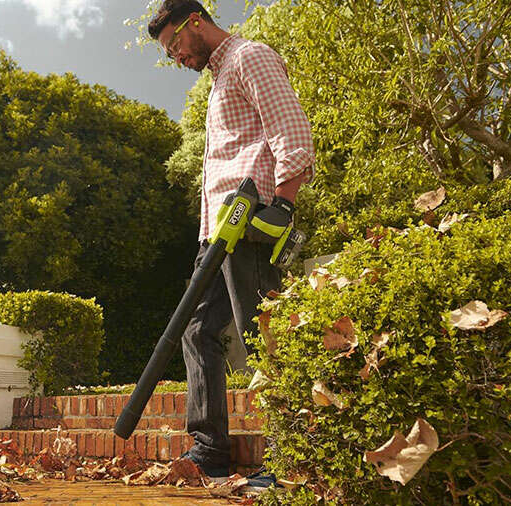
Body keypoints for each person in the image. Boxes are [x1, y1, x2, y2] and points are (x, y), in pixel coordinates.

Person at [147, 0, 315, 495]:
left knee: (265, 335)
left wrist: (283, 204)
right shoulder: (220, 79)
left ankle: (296, 459)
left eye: (175, 44)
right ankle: (210, 452)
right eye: (170, 53)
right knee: (196, 330)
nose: (177, 57)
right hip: (216, 231)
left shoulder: (249, 56)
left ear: (195, 21)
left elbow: (289, 126)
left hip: (251, 221)